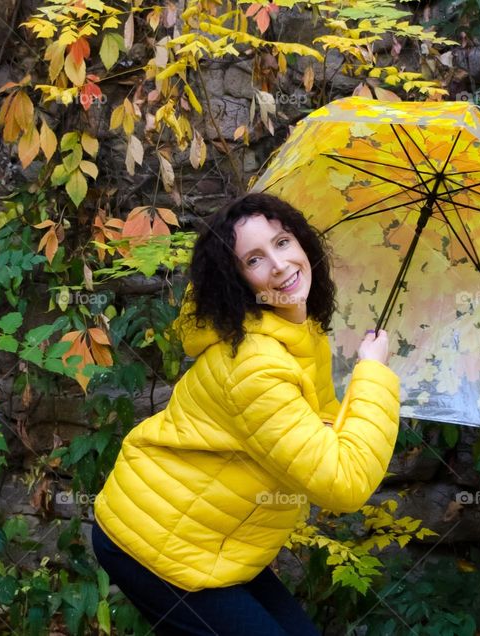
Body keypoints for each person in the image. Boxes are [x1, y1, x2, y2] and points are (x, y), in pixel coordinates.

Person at [91, 193, 401, 635]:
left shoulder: (299, 333)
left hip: (215, 543)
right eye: (254, 259)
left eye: (282, 242)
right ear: (239, 282)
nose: (278, 264)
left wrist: (359, 385)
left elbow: (316, 425)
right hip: (154, 541)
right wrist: (371, 374)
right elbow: (343, 482)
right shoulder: (254, 363)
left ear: (304, 246)